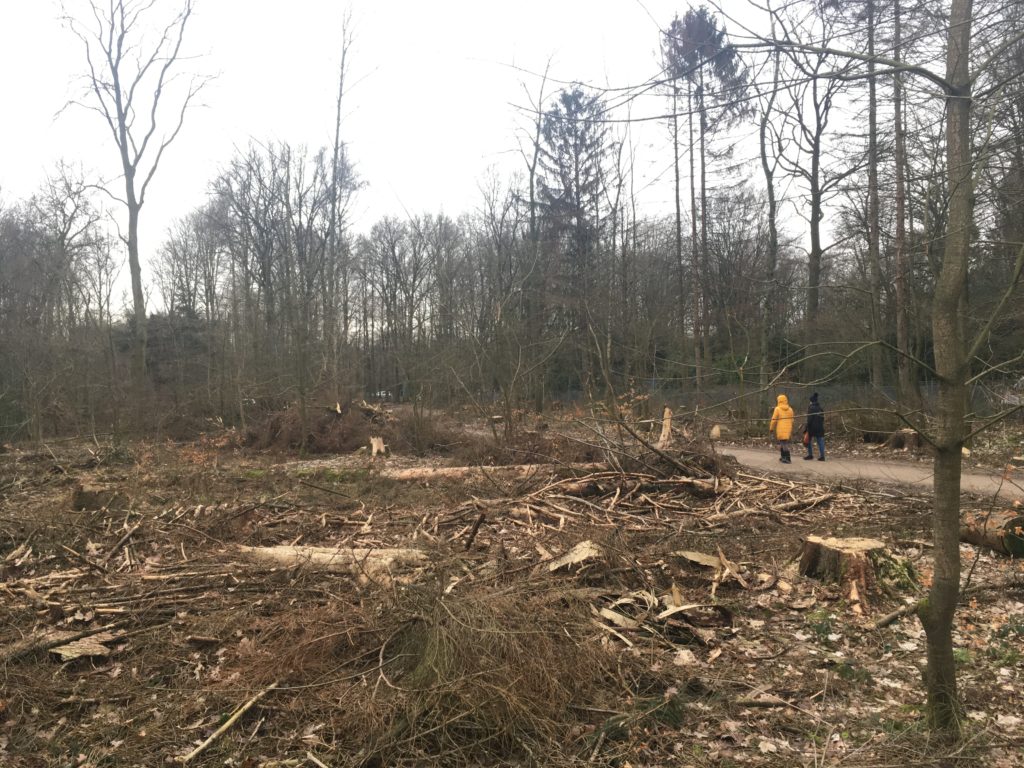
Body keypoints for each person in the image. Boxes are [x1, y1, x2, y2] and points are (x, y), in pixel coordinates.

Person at [768, 394, 795, 463]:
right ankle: (783, 457)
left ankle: (787, 458)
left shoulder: (777, 409)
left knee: (783, 443)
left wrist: (771, 428)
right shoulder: (790, 409)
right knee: (783, 442)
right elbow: (792, 420)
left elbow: (774, 420)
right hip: (788, 428)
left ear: (779, 401)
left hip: (780, 428)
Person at [803, 392, 826, 461]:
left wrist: (806, 428)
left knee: (808, 441)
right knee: (820, 442)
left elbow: (809, 420)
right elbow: (823, 418)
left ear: (811, 401)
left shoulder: (811, 408)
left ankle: (810, 455)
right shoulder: (820, 408)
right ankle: (822, 456)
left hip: (812, 428)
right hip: (820, 427)